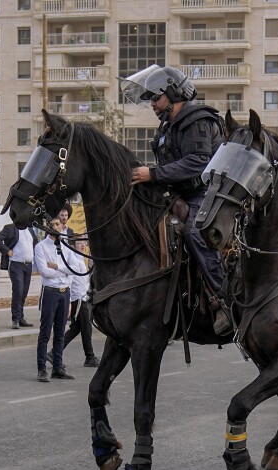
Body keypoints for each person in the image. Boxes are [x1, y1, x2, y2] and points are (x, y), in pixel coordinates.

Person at [120, 63, 231, 335]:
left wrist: (152, 174)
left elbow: (198, 163)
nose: (152, 105)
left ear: (174, 93)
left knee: (195, 231)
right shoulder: (168, 128)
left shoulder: (197, 120)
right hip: (180, 194)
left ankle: (222, 300)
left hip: (209, 194)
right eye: (149, 100)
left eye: (155, 98)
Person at [34, 214, 83, 382]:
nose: (56, 227)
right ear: (47, 226)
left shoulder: (65, 246)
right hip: (50, 292)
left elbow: (75, 267)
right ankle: (41, 369)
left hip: (65, 292)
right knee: (45, 331)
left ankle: (57, 367)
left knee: (60, 332)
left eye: (58, 224)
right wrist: (64, 269)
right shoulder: (41, 247)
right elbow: (45, 272)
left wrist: (57, 266)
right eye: (53, 224)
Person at [0, 221, 35, 328]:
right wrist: (6, 251)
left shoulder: (29, 229)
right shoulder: (10, 228)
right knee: (18, 291)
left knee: (24, 292)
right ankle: (15, 319)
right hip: (16, 264)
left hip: (28, 265)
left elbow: (36, 243)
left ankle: (20, 317)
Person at [63, 243, 99, 368]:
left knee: (76, 328)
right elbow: (70, 280)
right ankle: (89, 357)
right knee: (86, 328)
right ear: (73, 246)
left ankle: (54, 353)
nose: (83, 246)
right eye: (79, 244)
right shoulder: (74, 260)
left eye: (84, 244)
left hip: (83, 298)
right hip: (78, 299)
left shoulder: (80, 259)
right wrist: (69, 302)